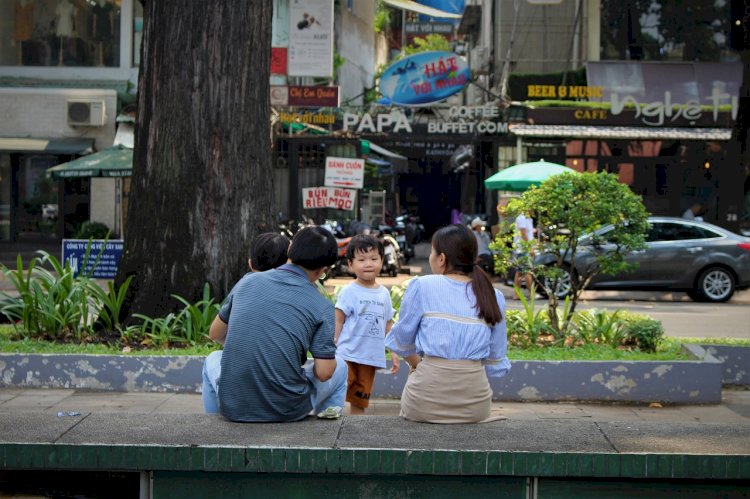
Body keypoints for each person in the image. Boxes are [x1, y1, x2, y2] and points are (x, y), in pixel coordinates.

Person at [202, 226, 347, 422]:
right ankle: (326, 432)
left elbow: (215, 333)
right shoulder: (322, 306)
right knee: (341, 367)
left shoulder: (248, 282)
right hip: (286, 409)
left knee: (213, 358)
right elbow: (323, 373)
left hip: (233, 406)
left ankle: (212, 424)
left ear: (289, 251)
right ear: (324, 270)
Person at [384, 224, 511, 423]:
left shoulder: (423, 285)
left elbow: (402, 340)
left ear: (441, 259)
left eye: (432, 252)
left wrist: (421, 366)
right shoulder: (493, 295)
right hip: (475, 406)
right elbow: (496, 359)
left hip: (423, 402)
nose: (430, 257)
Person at [334, 235, 399, 415]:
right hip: (346, 352)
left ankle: (356, 429)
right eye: (361, 260)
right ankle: (329, 421)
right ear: (350, 264)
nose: (368, 264)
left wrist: (393, 352)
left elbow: (388, 324)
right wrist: (333, 344)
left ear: (382, 261)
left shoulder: (384, 293)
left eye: (373, 259)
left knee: (360, 398)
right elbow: (338, 319)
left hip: (369, 356)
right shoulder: (349, 291)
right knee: (338, 388)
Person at [512, 211, 535, 297]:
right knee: (527, 271)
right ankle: (532, 294)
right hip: (522, 249)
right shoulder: (521, 218)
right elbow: (523, 233)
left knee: (520, 272)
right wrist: (529, 248)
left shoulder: (529, 219)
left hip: (524, 249)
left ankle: (516, 294)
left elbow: (529, 234)